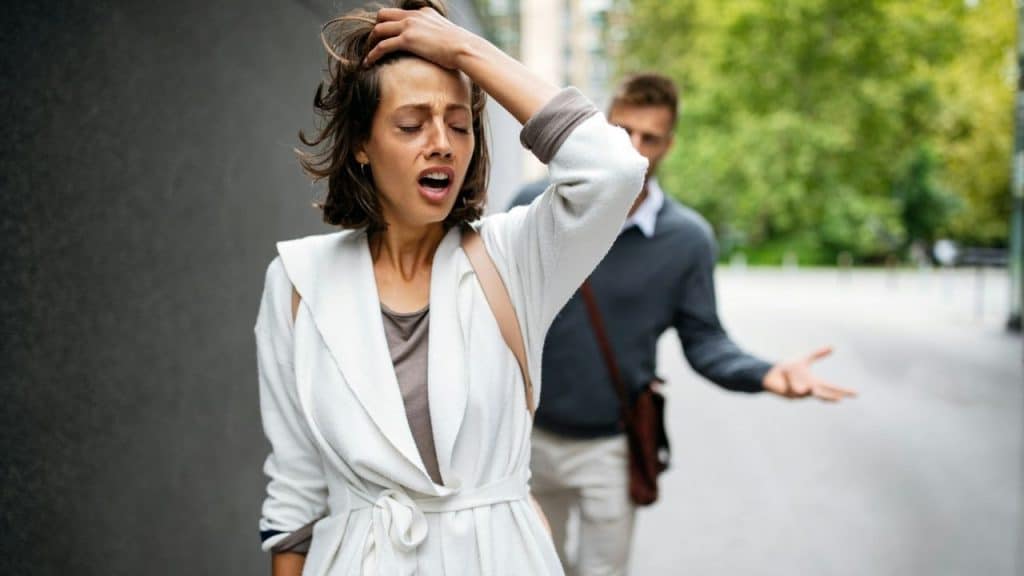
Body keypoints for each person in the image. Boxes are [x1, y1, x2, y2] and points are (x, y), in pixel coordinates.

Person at [254, 1, 648, 575]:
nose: (441, 142)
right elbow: (295, 492)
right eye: (411, 125)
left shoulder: (513, 259)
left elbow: (613, 170)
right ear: (362, 144)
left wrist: (465, 49)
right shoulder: (297, 280)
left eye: (460, 125)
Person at [509, 73, 857, 576]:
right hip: (525, 438)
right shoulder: (535, 204)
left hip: (612, 447)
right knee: (530, 567)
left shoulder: (687, 240)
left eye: (650, 138)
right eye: (623, 131)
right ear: (602, 127)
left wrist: (766, 373)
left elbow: (705, 342)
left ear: (668, 145)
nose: (634, 148)